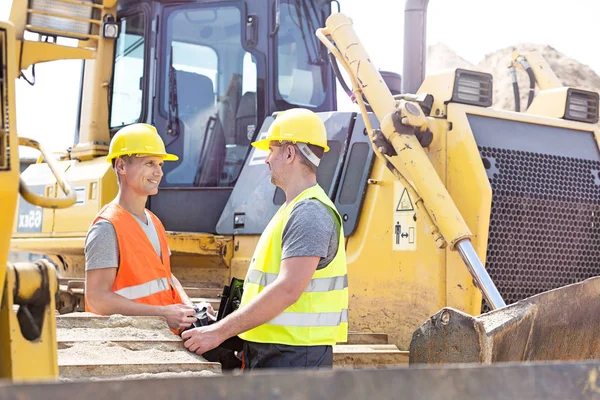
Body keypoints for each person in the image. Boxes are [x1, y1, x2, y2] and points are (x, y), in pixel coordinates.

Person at [182, 108, 348, 369]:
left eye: (271, 150)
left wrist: (219, 332)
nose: (267, 159)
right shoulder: (292, 209)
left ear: (290, 153)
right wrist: (245, 339)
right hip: (280, 353)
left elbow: (288, 289)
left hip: (293, 359)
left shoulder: (309, 212)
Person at [84, 123, 202, 334]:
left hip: (158, 337)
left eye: (160, 164)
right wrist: (163, 314)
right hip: (126, 341)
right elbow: (97, 299)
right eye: (149, 163)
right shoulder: (107, 227)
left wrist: (188, 306)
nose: (159, 172)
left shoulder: (154, 222)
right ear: (121, 166)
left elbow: (166, 277)